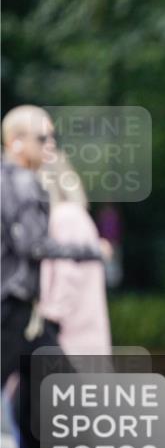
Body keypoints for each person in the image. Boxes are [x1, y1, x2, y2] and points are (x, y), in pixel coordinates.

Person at [1, 105, 109, 448]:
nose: (50, 147)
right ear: (17, 142)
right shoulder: (21, 183)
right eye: (43, 139)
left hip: (22, 316)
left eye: (52, 138)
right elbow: (33, 247)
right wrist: (90, 251)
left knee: (48, 398)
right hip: (10, 312)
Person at [38, 150, 113, 358]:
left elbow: (67, 274)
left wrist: (50, 317)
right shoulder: (75, 215)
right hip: (80, 330)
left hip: (70, 334)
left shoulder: (65, 217)